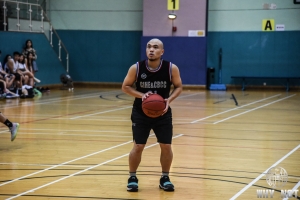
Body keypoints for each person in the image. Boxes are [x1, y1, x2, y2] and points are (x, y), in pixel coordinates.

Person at [122, 38, 182, 192]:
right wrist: (141, 95)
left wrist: (169, 100)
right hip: (141, 113)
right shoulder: (136, 68)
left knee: (166, 146)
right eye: (149, 47)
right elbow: (125, 87)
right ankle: (132, 177)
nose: (151, 50)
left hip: (163, 112)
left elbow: (179, 87)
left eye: (155, 47)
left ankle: (165, 177)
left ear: (162, 52)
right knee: (138, 145)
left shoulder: (171, 68)